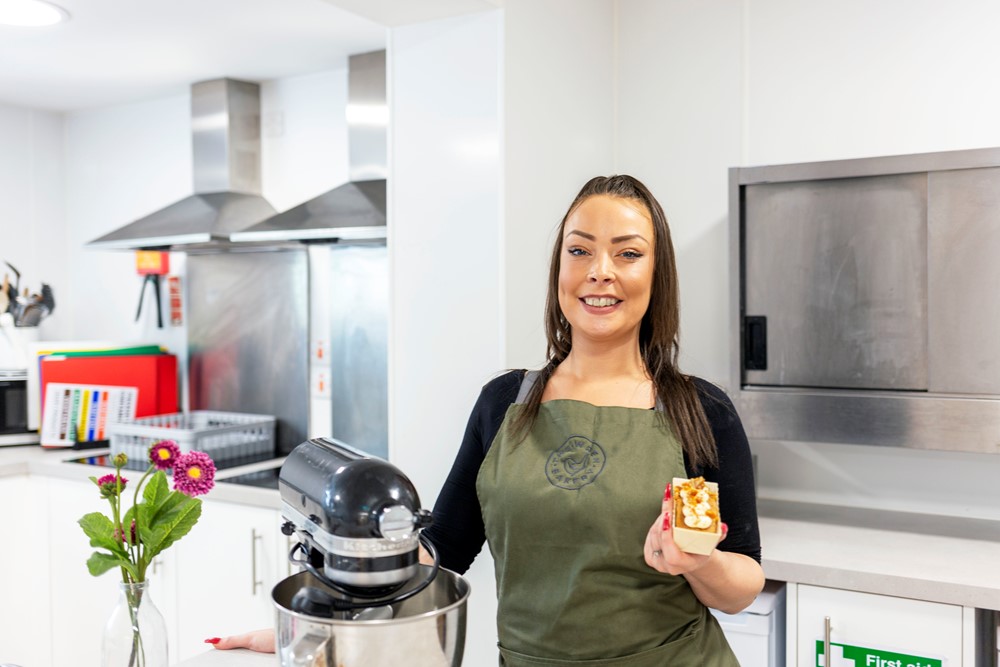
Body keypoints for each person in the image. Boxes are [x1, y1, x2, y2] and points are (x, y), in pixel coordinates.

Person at [211, 174, 764, 665]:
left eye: (627, 254)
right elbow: (442, 549)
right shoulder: (504, 402)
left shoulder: (700, 412)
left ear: (656, 273)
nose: (600, 272)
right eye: (580, 251)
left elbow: (742, 584)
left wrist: (698, 561)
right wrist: (321, 623)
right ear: (558, 270)